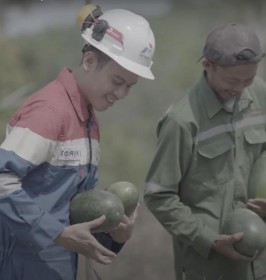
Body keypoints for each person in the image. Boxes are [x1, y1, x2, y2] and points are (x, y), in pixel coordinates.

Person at [0, 4, 155, 280]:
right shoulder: (49, 112)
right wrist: (56, 233)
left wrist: (115, 236)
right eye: (117, 81)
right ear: (89, 62)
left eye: (129, 86)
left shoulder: (89, 120)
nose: (121, 94)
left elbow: (73, 212)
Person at [144, 23, 266, 280]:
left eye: (248, 79)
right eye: (231, 81)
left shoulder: (259, 93)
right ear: (207, 65)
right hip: (209, 268)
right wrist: (209, 240)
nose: (239, 89)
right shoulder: (182, 121)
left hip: (262, 264)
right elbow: (159, 196)